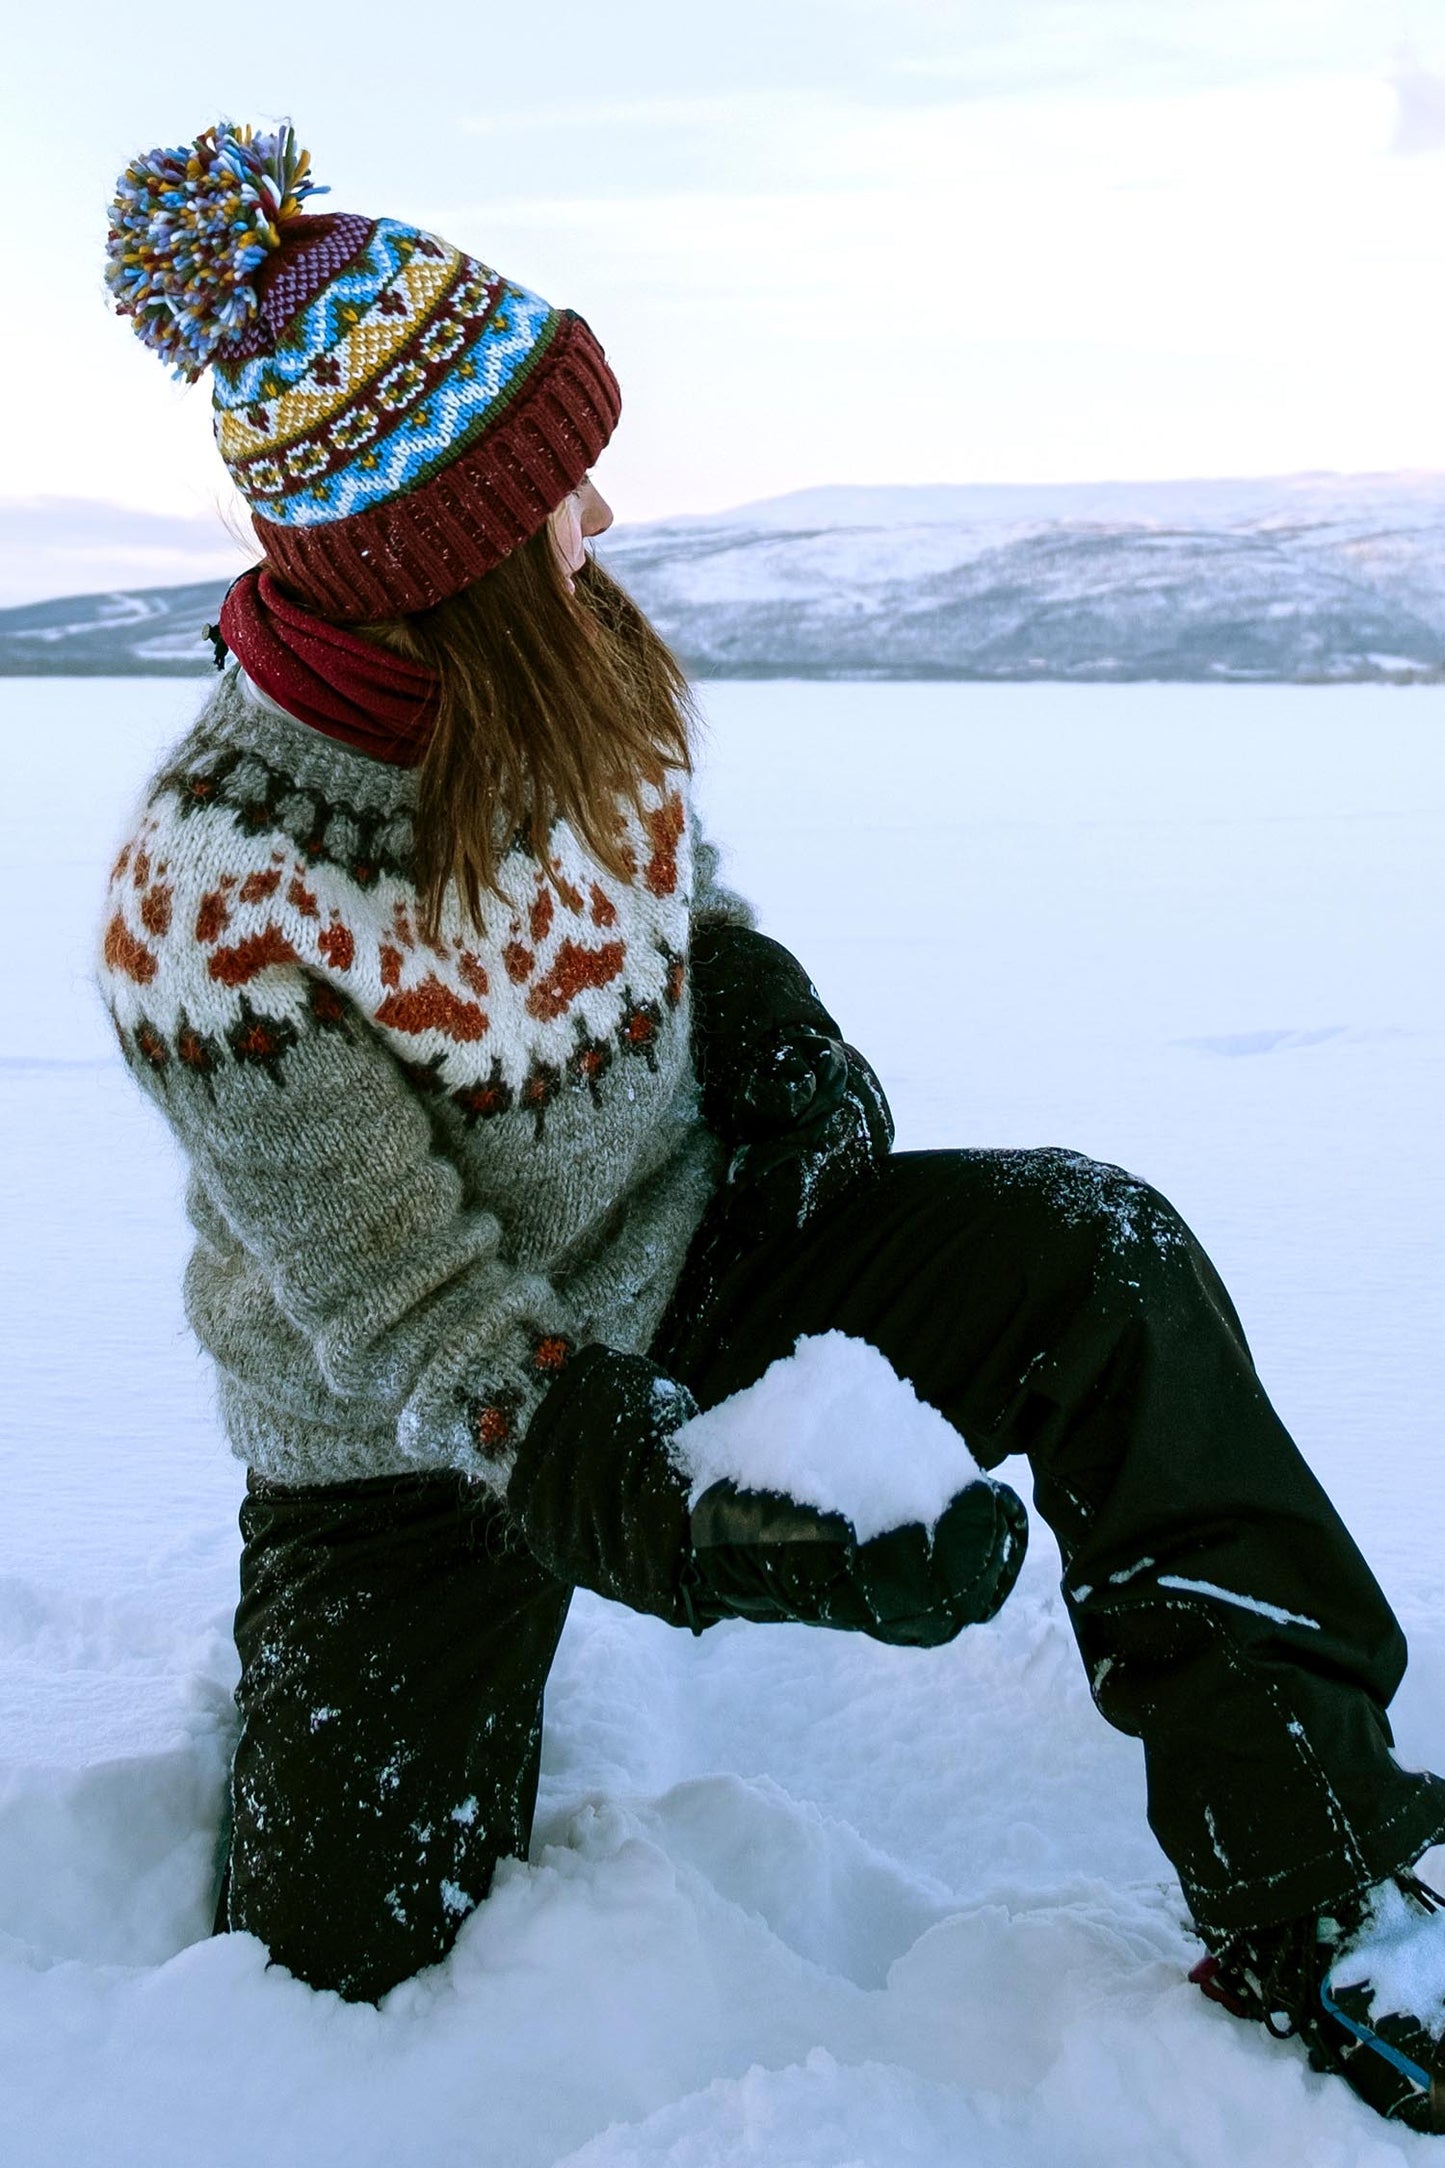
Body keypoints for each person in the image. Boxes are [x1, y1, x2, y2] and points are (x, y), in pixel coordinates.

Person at [98, 121, 1445, 2132]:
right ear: (439, 556)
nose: (607, 512)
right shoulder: (216, 894)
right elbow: (408, 1319)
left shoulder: (584, 664)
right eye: (556, 489)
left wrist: (754, 1004)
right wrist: (686, 1521)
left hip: (692, 1252)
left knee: (1104, 1256)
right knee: (340, 1976)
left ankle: (1325, 1883)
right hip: (417, 1451)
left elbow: (669, 901)